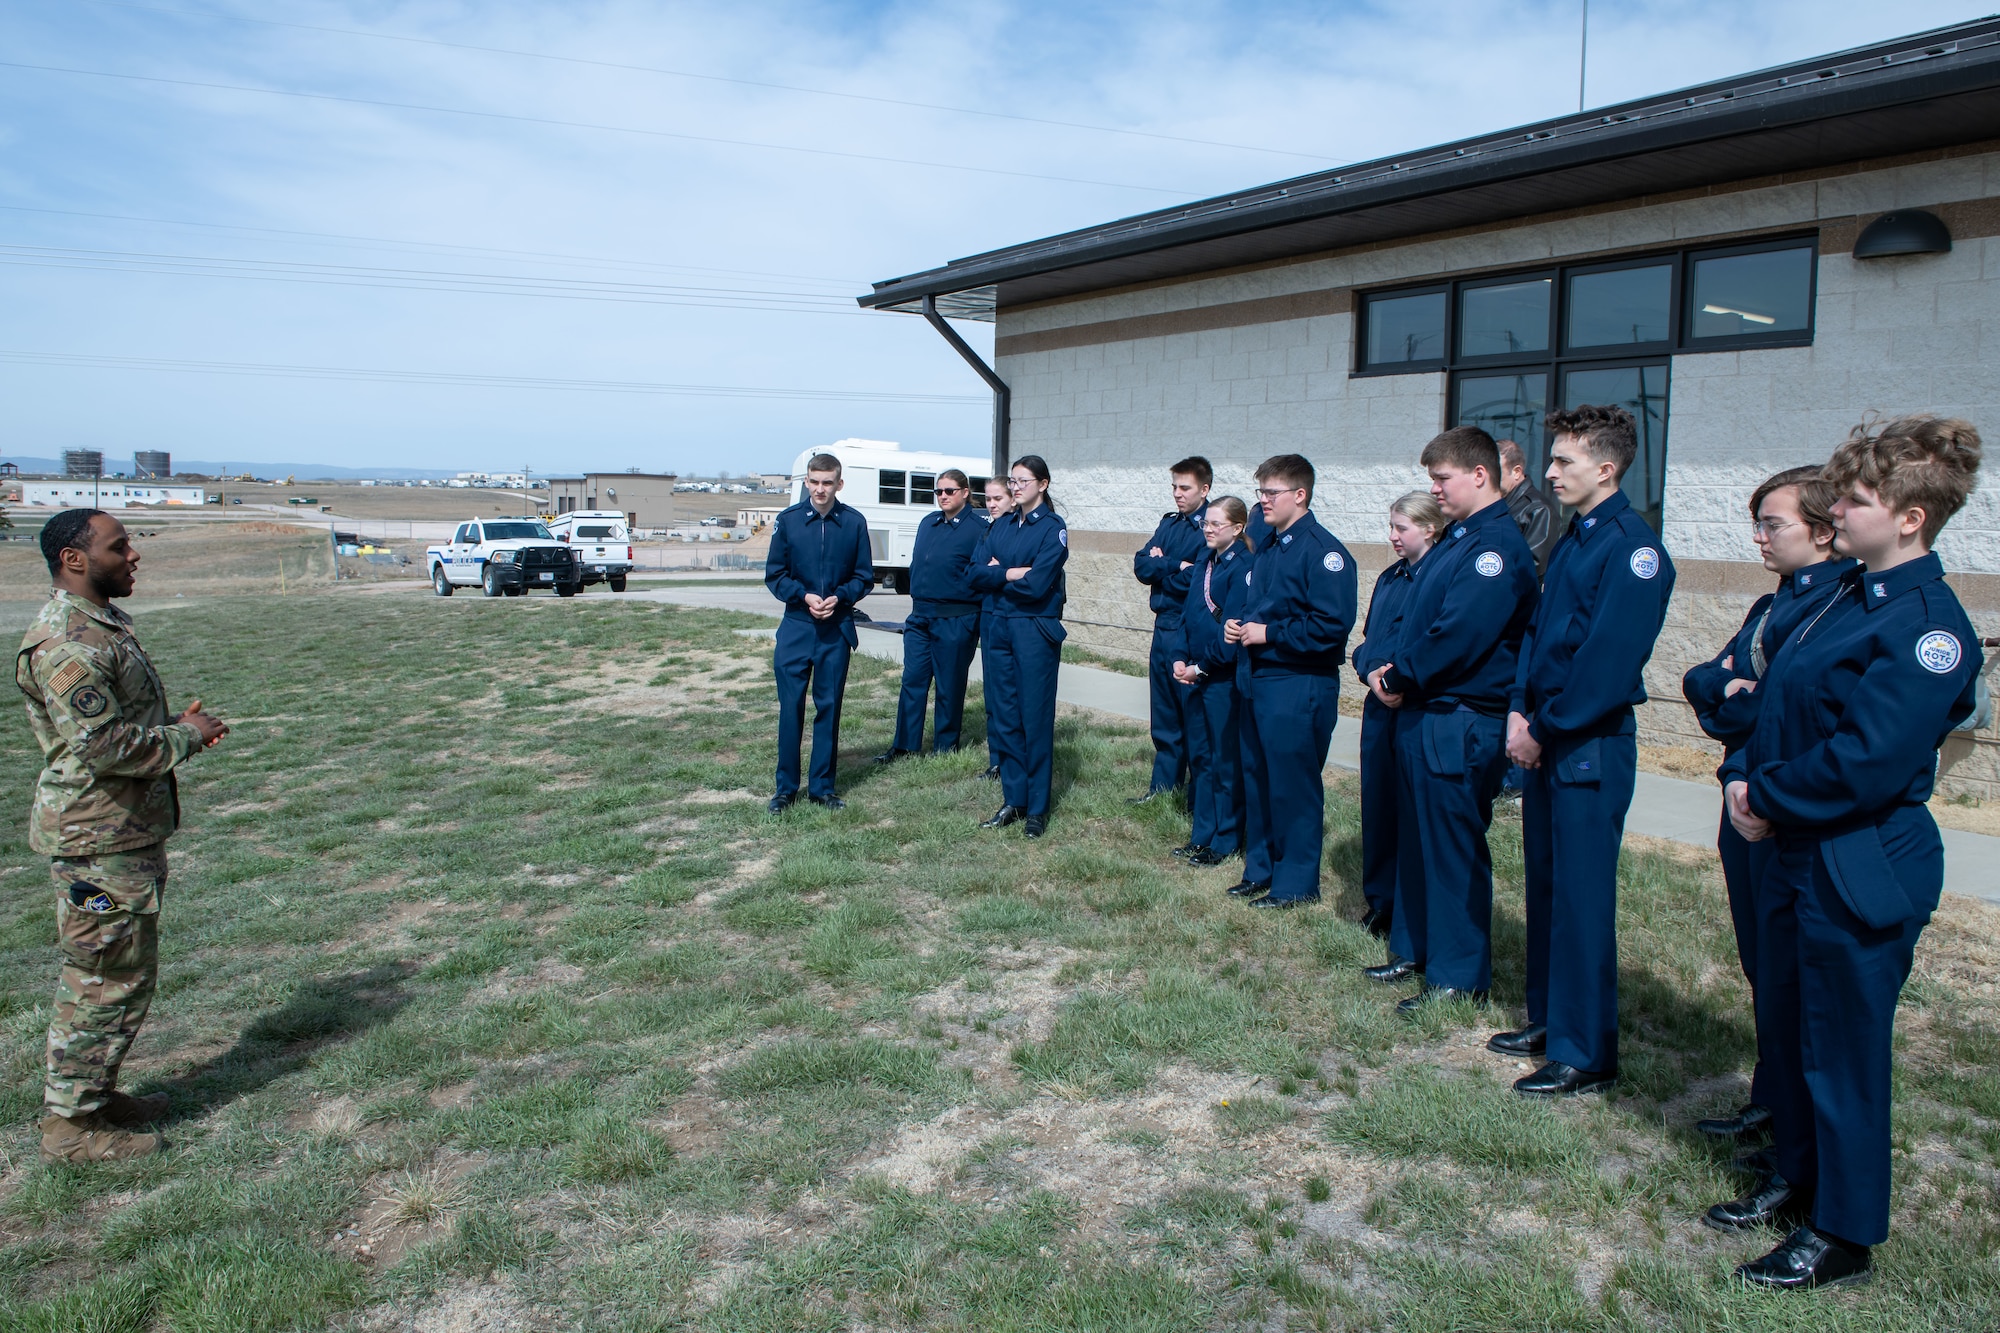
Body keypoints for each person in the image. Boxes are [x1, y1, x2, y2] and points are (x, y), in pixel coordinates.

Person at [1721, 417, 1983, 1290]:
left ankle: (1843, 1232)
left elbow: (1866, 760)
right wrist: (1747, 777)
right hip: (1797, 845)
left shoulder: (1927, 624)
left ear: (1910, 518)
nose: (1838, 508)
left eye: (1858, 499)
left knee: (1844, 1049)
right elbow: (1774, 708)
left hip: (1859, 855)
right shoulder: (1842, 594)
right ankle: (1797, 1178)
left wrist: (1764, 795)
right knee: (1792, 1026)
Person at [17, 509, 228, 1162]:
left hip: (121, 836)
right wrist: (184, 736)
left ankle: (98, 1096)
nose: (133, 555)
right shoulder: (66, 642)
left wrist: (167, 722)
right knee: (100, 976)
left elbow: (113, 724)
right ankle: (71, 1128)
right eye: (119, 545)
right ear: (75, 559)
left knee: (125, 973)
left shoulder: (98, 626)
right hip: (94, 843)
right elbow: (105, 746)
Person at [1494, 406, 1676, 1097]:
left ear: (1607, 467)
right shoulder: (1575, 538)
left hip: (1586, 745)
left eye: (1563, 461)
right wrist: (1518, 706)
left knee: (1582, 898)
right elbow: (1538, 637)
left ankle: (1586, 1050)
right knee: (1546, 888)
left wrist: (1542, 727)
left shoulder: (1633, 548)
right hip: (1544, 734)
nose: (1547, 472)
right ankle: (1550, 1017)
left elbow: (1605, 664)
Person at [1680, 466, 1850, 1158]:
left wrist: (1743, 695)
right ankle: (1771, 1096)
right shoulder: (1771, 606)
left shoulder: (1832, 607)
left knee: (1788, 974)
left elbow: (1770, 705)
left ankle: (1792, 1120)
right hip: (1740, 797)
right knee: (1761, 962)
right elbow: (1700, 679)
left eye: (1771, 523)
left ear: (1823, 528)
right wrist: (1734, 688)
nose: (1758, 537)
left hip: (1780, 807)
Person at [1364, 427, 1537, 1010]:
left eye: (1442, 478)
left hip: (1460, 716)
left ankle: (1459, 976)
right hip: (1425, 712)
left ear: (1480, 476)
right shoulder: (1459, 540)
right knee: (1417, 840)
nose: (1433, 489)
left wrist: (1399, 674)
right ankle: (1414, 949)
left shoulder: (1495, 548)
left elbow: (1457, 635)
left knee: (1452, 848)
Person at [1224, 454, 1357, 908]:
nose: (1261, 501)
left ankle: (1296, 884)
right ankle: (1261, 869)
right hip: (1258, 678)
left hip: (1298, 683)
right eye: (1259, 491)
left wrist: (1269, 634)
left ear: (1300, 495)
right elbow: (1262, 606)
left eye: (1270, 493)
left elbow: (1329, 628)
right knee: (1258, 777)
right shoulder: (1270, 546)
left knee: (1292, 784)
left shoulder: (1325, 552)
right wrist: (1239, 624)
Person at [1351, 492, 1442, 941]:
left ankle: (1409, 909)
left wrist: (1400, 683)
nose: (1392, 537)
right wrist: (1371, 676)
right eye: (1390, 527)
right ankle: (1381, 901)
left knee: (1411, 813)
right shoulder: (1390, 578)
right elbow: (1366, 643)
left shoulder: (1440, 578)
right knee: (1379, 806)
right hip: (1379, 705)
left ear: (1429, 528)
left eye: (1400, 528)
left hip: (1414, 707)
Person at [764, 453, 874, 813]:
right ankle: (785, 789)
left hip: (835, 630)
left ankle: (822, 788)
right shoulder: (789, 521)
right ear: (806, 482)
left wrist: (840, 597)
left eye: (828, 482)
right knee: (790, 708)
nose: (821, 489)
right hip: (797, 627)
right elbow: (775, 575)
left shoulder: (854, 523)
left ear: (839, 484)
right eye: (815, 481)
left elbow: (864, 576)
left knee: (829, 708)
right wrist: (804, 596)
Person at [971, 456, 1069, 839]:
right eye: (1012, 481)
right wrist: (1011, 571)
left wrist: (997, 573)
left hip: (1032, 629)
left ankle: (1038, 808)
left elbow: (1039, 582)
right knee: (1006, 715)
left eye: (1022, 481)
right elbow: (973, 573)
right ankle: (1015, 798)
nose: (1015, 487)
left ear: (1042, 484)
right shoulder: (1002, 525)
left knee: (1034, 717)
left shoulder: (1052, 529)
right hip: (997, 627)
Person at [1169, 496, 1254, 867]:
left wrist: (1201, 667)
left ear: (1237, 528)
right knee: (1201, 757)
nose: (1208, 528)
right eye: (1206, 522)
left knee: (1224, 760)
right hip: (1194, 673)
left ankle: (1225, 839)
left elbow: (1231, 632)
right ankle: (1202, 833)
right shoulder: (1205, 560)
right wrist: (1179, 657)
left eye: (1216, 524)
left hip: (1220, 678)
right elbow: (1187, 614)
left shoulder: (1242, 567)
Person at [877, 469, 983, 762]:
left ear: (965, 492)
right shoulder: (928, 523)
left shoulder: (978, 528)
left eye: (949, 491)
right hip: (920, 617)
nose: (943, 496)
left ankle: (944, 748)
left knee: (949, 685)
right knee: (913, 681)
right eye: (939, 492)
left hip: (956, 617)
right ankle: (904, 745)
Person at [1131, 458, 1212, 802]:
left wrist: (1162, 566)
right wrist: (1173, 564)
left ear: (1204, 489)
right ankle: (1163, 790)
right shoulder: (1169, 523)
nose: (1177, 494)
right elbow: (1140, 565)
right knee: (1163, 713)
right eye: (1174, 487)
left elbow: (1198, 581)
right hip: (1163, 625)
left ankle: (1197, 798)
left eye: (1185, 488)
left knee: (1192, 714)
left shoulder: (1212, 526)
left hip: (1189, 628)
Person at [977, 475, 1015, 782]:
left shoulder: (1020, 529)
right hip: (988, 613)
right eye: (988, 499)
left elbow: (1028, 574)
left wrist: (997, 570)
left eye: (998, 499)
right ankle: (997, 759)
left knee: (1010, 693)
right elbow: (975, 570)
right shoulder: (988, 529)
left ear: (1013, 499)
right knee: (992, 691)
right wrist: (999, 572)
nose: (991, 505)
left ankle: (1013, 759)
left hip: (1012, 616)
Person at [1497, 438, 1559, 576]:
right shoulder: (1495, 504)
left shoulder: (1538, 509)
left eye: (1496, 471)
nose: (1488, 478)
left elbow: (1533, 565)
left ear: (1517, 472)